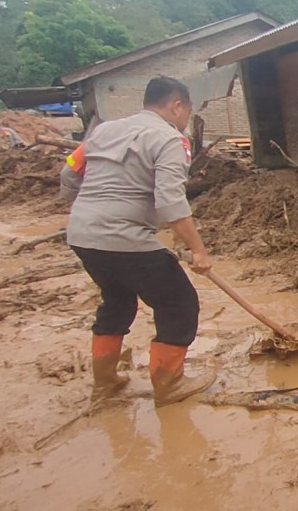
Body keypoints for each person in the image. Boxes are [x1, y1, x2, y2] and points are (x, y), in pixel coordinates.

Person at [61, 76, 216, 406]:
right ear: (176, 105)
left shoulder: (104, 131)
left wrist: (94, 208)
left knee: (117, 302)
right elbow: (171, 204)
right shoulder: (170, 139)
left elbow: (69, 173)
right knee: (178, 303)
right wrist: (198, 250)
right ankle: (169, 384)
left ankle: (105, 383)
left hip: (82, 235)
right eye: (187, 111)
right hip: (125, 238)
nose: (186, 119)